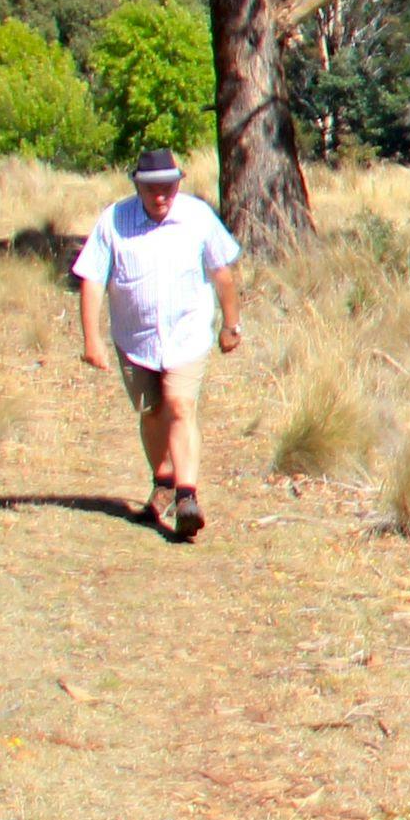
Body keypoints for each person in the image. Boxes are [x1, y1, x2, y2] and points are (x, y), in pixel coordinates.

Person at [73, 150, 243, 539]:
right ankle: (163, 479)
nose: (160, 195)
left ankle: (187, 498)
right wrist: (91, 339)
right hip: (135, 340)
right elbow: (93, 278)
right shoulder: (114, 221)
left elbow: (222, 273)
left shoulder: (198, 217)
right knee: (151, 412)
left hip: (187, 334)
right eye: (151, 188)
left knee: (181, 406)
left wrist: (232, 324)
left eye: (167, 186)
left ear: (179, 183)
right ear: (137, 185)